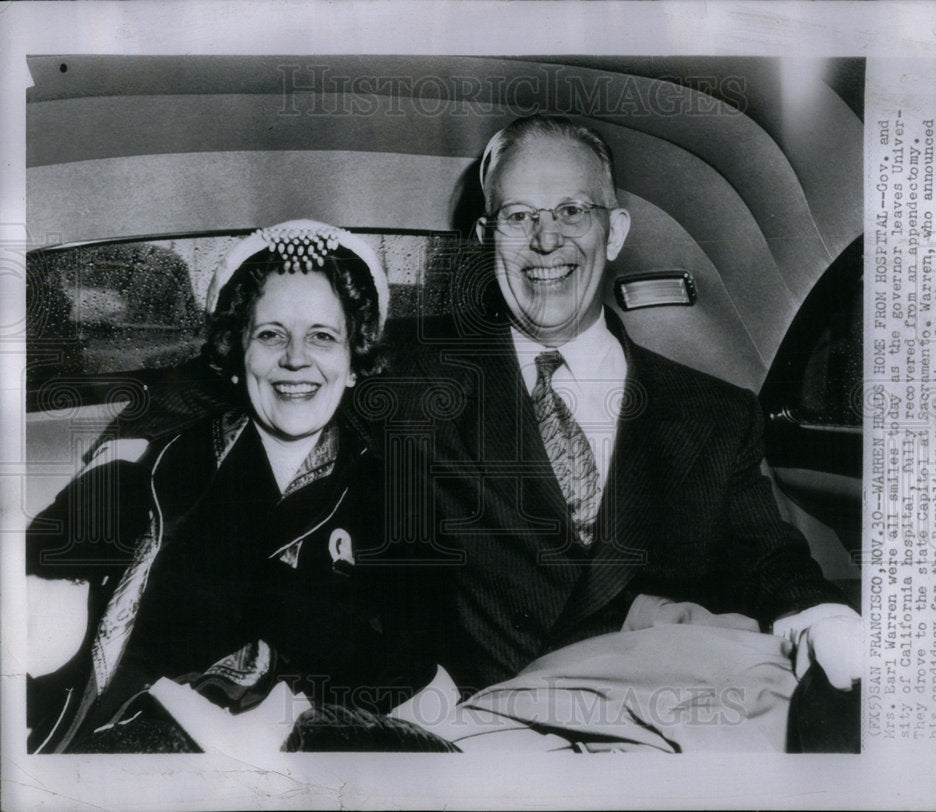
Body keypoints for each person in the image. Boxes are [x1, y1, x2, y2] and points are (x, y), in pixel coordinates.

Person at [377, 115, 862, 707]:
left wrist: (824, 620)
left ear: (615, 232)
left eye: (572, 211)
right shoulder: (408, 382)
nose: (545, 240)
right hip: (483, 735)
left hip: (653, 736)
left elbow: (771, 562)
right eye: (519, 215)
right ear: (485, 237)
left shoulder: (713, 415)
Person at [26, 221, 439, 753]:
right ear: (237, 356)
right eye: (270, 334)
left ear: (354, 361)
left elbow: (413, 667)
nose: (296, 358)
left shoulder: (395, 495)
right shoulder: (148, 467)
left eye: (323, 335)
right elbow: (27, 593)